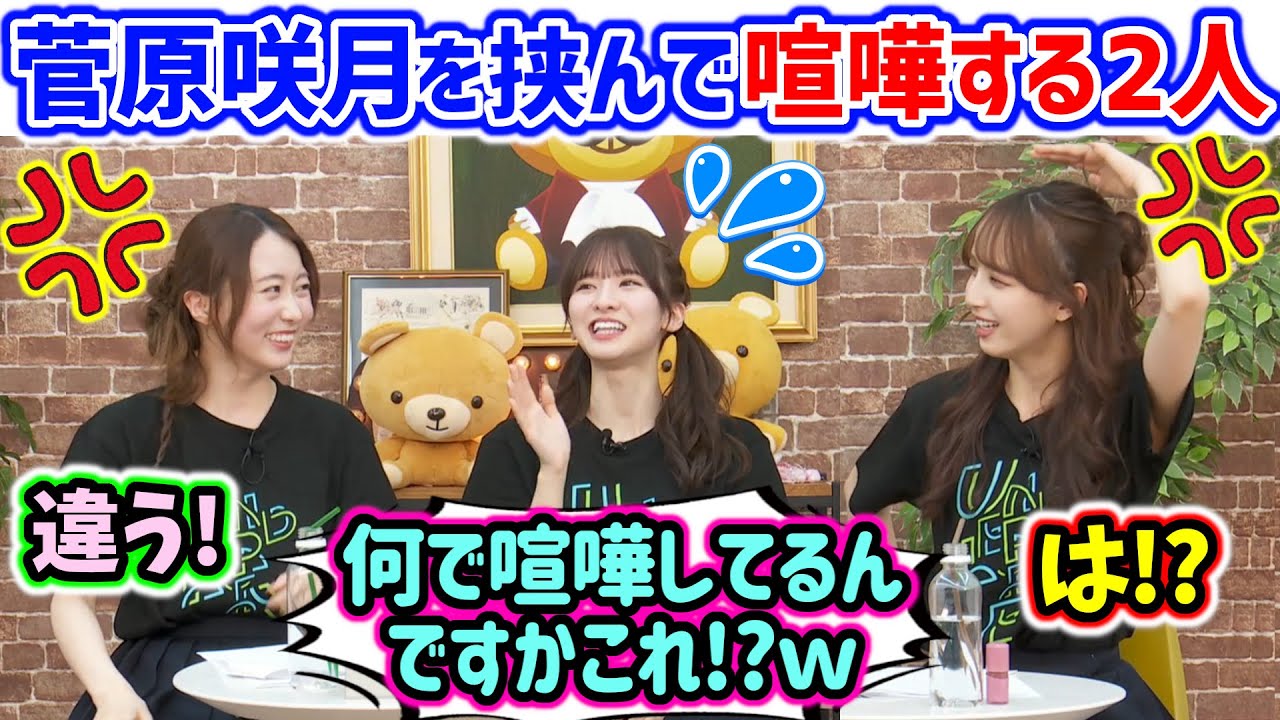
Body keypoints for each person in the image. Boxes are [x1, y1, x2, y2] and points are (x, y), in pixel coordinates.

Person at [848, 142, 1208, 720]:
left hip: (1092, 699)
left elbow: (1187, 300)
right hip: (966, 694)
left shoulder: (1128, 405)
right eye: (974, 273)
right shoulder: (940, 406)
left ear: (1068, 302)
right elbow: (851, 507)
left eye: (1000, 280)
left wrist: (1147, 183)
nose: (973, 296)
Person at [51, 204, 398, 720]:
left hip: (307, 681)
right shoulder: (120, 433)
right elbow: (72, 598)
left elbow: (390, 575)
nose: (295, 311)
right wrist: (110, 692)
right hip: (164, 684)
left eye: (302, 288)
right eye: (271, 290)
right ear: (200, 304)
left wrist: (329, 583)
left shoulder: (336, 432)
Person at [462, 225, 786, 510]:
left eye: (628, 282)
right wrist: (552, 471)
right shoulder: (512, 447)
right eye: (586, 286)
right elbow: (489, 561)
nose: (603, 301)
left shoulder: (736, 449)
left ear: (672, 314)